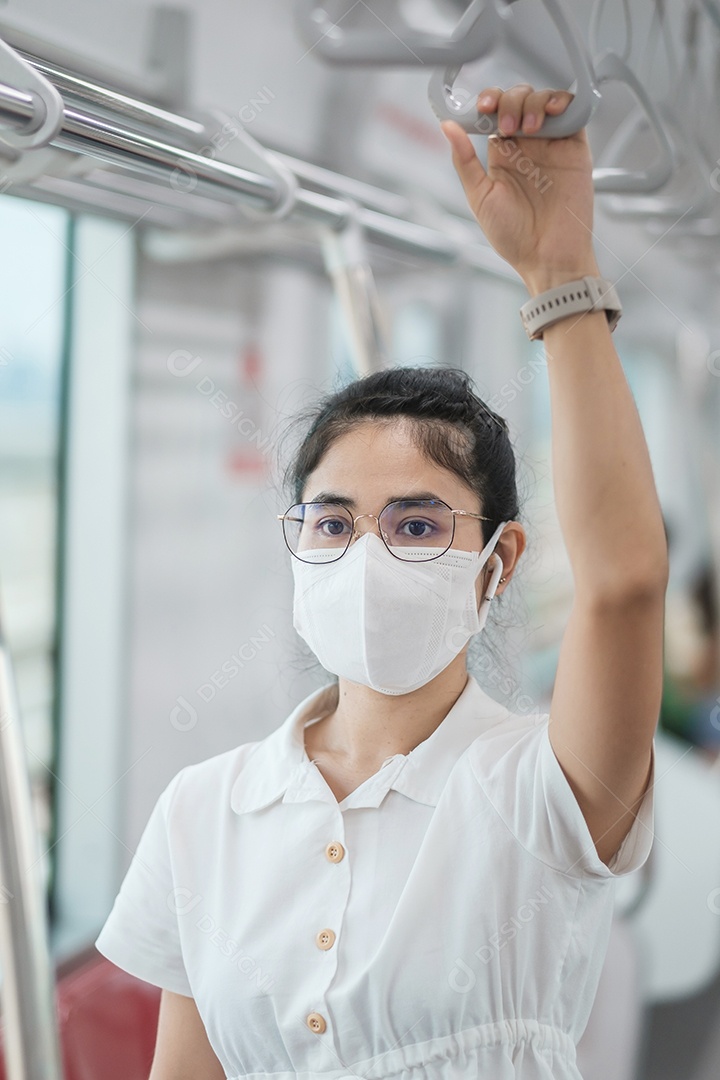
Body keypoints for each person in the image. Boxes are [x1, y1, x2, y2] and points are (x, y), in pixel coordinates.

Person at [94, 85, 668, 1080]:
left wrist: (560, 272)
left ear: (498, 564)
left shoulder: (543, 788)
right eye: (333, 522)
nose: (366, 556)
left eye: (414, 523)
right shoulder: (203, 810)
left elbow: (624, 583)